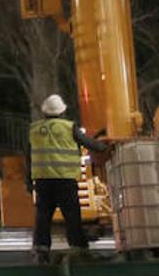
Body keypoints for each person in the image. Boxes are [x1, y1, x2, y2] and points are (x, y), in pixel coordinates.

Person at [26, 93, 107, 254]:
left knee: (43, 214)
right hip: (64, 179)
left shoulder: (34, 130)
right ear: (62, 112)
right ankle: (78, 245)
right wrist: (104, 146)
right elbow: (89, 143)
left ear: (44, 112)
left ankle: (40, 246)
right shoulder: (69, 127)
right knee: (71, 213)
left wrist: (28, 180)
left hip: (42, 180)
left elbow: (28, 156)